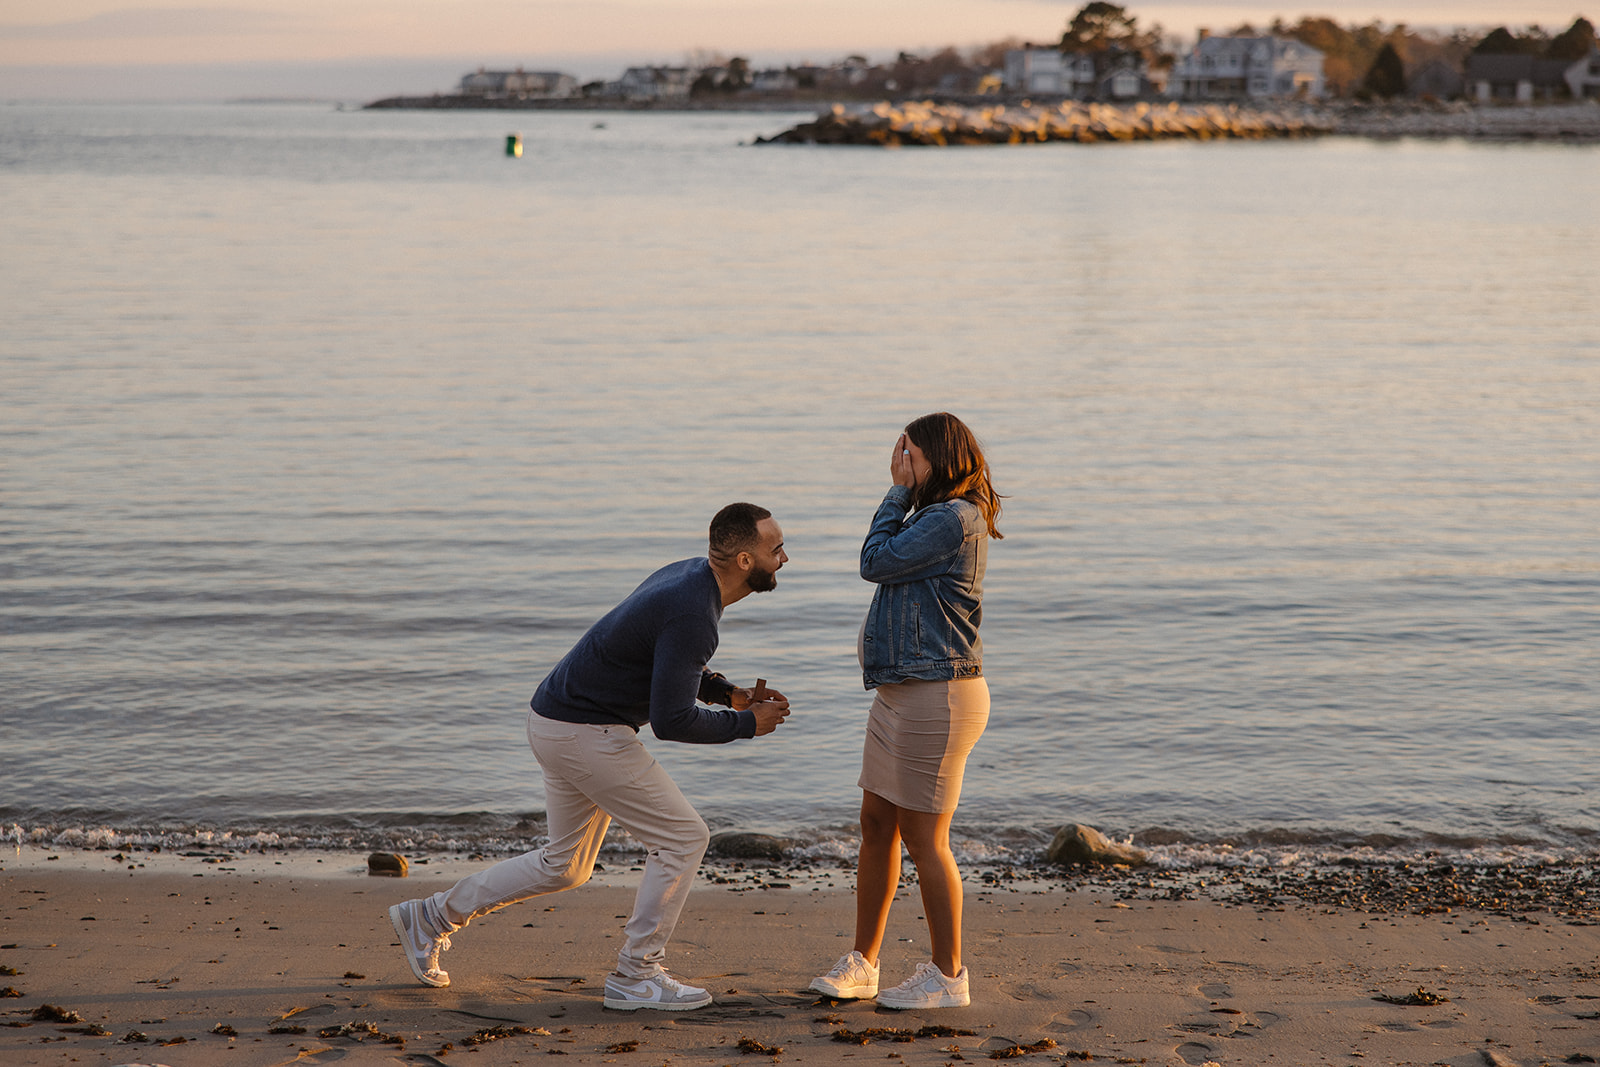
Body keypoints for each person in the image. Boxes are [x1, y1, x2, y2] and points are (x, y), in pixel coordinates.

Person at [389, 502, 792, 1011]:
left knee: (566, 867)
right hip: (584, 731)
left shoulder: (688, 577)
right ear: (742, 560)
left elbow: (658, 661)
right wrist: (746, 725)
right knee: (684, 838)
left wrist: (725, 693)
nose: (784, 557)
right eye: (775, 549)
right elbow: (670, 722)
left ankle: (429, 917)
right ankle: (636, 973)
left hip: (554, 719)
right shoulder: (695, 613)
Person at [810, 412, 1003, 1010]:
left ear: (937, 458)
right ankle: (864, 963)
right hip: (902, 692)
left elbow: (875, 561)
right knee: (876, 824)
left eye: (909, 455)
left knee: (925, 838)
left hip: (937, 694)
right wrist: (903, 494)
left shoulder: (952, 518)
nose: (901, 465)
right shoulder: (937, 515)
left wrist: (894, 492)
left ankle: (948, 977)